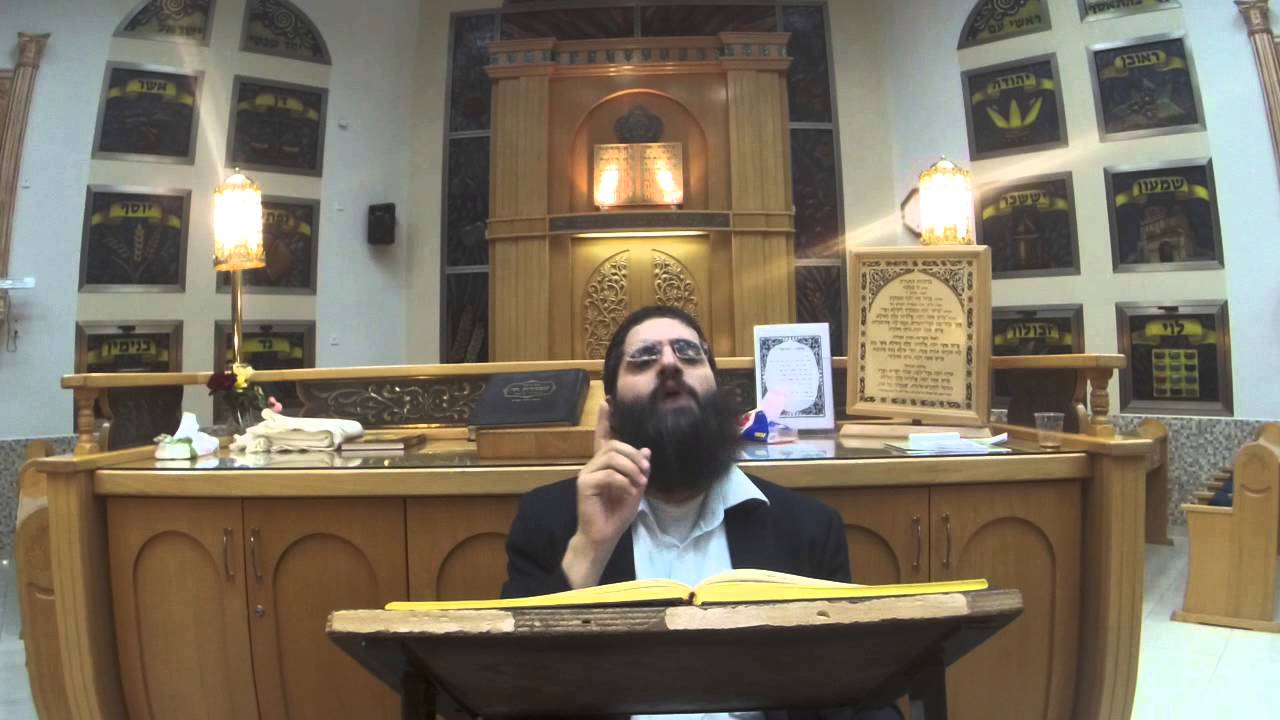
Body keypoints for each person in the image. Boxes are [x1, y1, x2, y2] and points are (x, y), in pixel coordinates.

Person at [502, 306, 900, 720]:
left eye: (689, 354)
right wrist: (590, 547)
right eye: (644, 358)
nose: (670, 364)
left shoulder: (809, 528)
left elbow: (856, 696)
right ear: (612, 411)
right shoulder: (549, 521)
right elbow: (510, 687)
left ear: (718, 392)